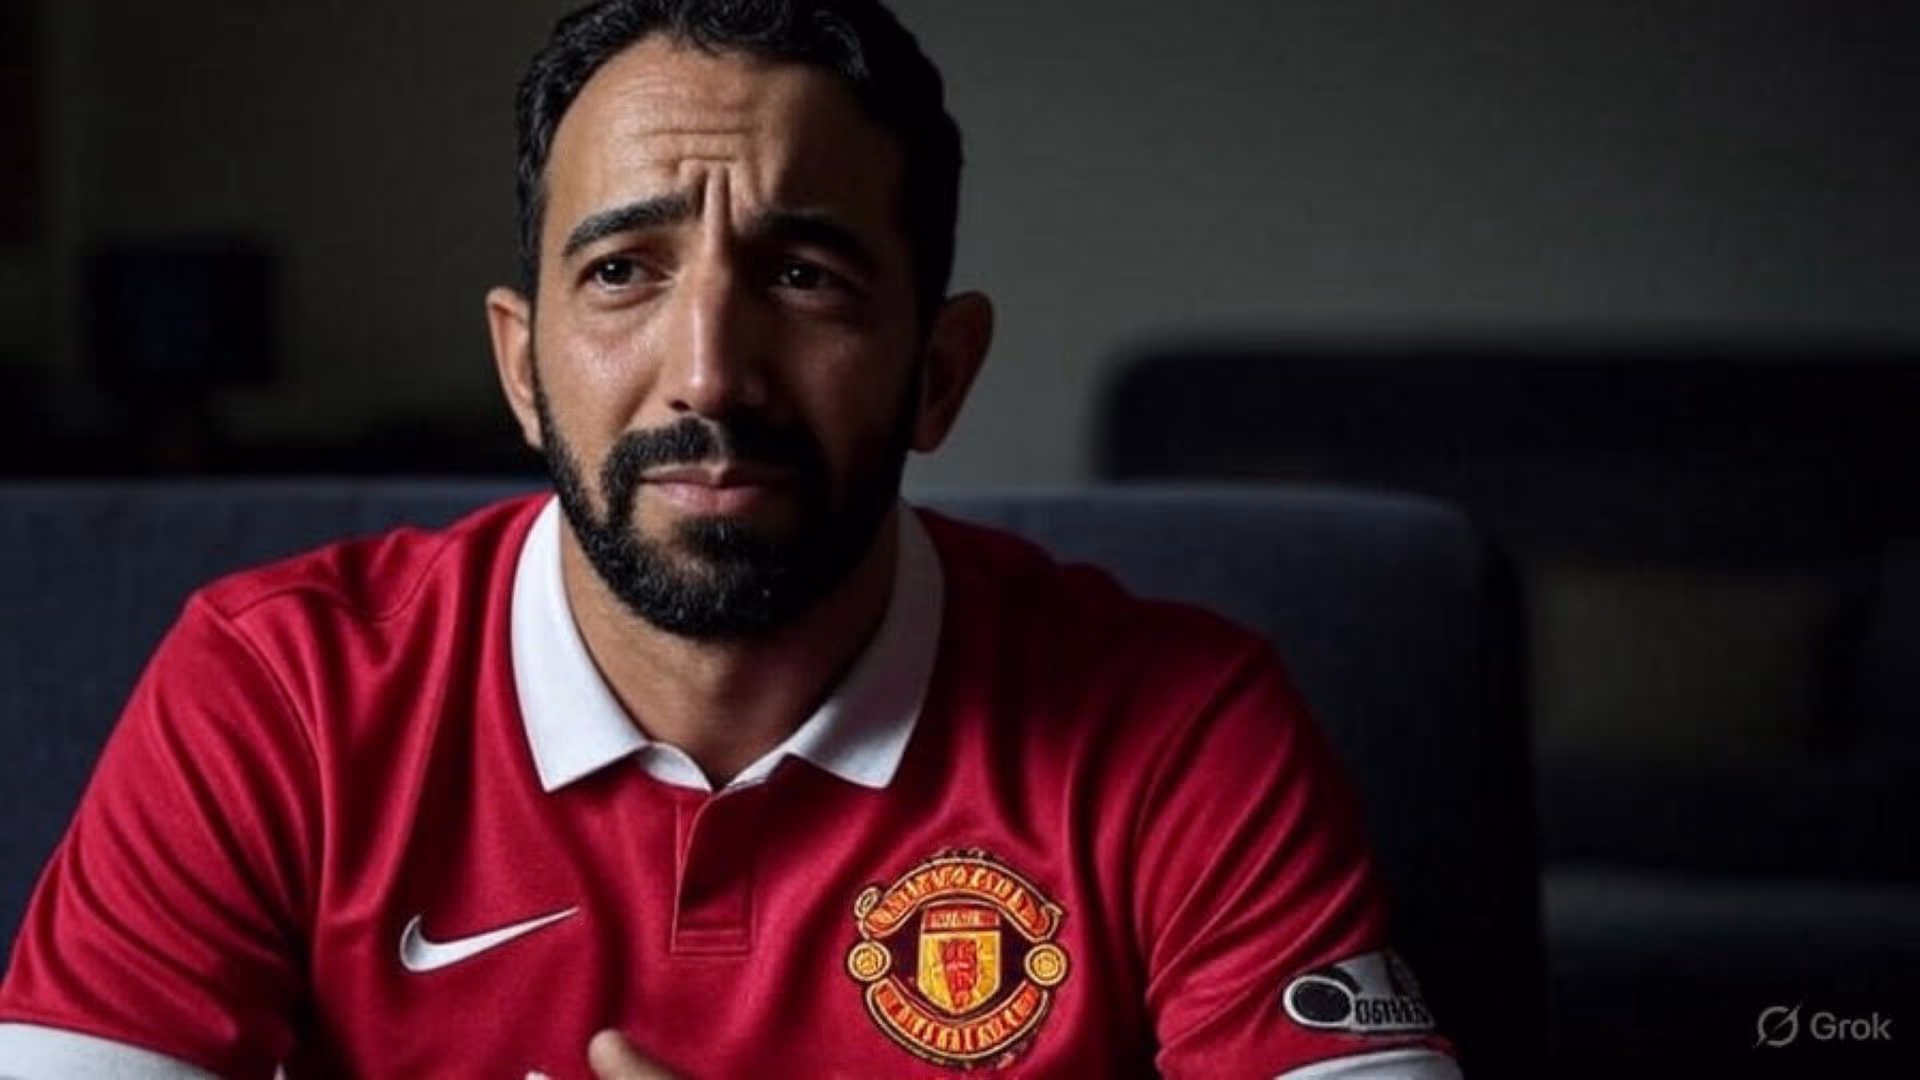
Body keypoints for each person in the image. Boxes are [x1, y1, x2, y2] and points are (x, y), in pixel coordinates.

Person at [0, 2, 1461, 1076]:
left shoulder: (1185, 725)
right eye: (625, 270)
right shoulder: (275, 693)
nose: (709, 370)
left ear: (938, 371)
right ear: (523, 367)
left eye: (805, 274)